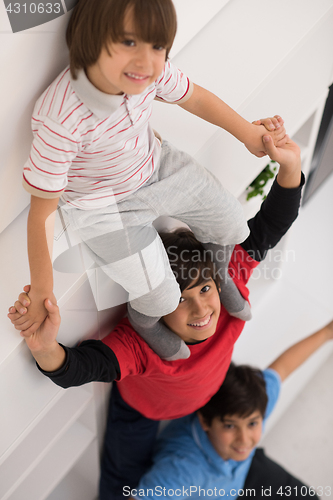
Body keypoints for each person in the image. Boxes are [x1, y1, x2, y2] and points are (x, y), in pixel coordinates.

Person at [9, 134, 303, 499]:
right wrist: (43, 346)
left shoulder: (229, 289)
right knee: (120, 482)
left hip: (200, 397)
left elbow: (271, 225)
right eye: (180, 299)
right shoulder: (139, 343)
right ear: (156, 304)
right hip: (140, 411)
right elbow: (79, 368)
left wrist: (290, 164)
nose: (201, 309)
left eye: (205, 289)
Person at [14, 0, 287, 361]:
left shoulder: (147, 73)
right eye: (129, 43)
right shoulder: (61, 117)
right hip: (105, 209)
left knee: (234, 224)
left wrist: (247, 134)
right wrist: (41, 290)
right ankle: (145, 322)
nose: (147, 61)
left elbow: (195, 97)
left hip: (157, 165)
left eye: (158, 47)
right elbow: (41, 212)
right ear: (90, 39)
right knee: (160, 296)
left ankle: (221, 280)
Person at [131, 320, 333, 500]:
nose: (244, 439)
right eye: (230, 426)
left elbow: (282, 368)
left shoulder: (253, 404)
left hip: (242, 472)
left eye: (252, 424)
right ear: (205, 421)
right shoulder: (183, 469)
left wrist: (327, 332)